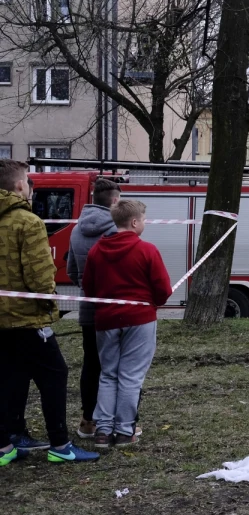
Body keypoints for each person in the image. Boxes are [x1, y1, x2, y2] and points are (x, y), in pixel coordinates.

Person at [0, 159, 98, 464]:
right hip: (27, 318)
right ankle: (60, 445)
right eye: (29, 181)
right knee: (55, 375)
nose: (31, 187)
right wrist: (50, 307)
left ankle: (8, 443)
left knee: (10, 377)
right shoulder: (27, 222)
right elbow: (40, 277)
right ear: (19, 186)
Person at [82, 199, 172, 448]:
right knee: (131, 376)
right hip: (140, 319)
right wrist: (154, 301)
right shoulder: (147, 250)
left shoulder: (96, 251)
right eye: (143, 219)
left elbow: (88, 287)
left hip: (106, 320)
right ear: (134, 222)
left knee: (108, 374)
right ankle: (124, 431)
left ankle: (102, 430)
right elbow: (163, 289)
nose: (144, 223)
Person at [66, 178, 120, 440]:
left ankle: (88, 420)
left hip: (88, 309)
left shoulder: (77, 230)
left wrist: (88, 289)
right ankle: (115, 422)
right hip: (114, 310)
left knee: (91, 365)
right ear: (114, 201)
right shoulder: (116, 230)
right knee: (114, 368)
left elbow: (71, 271)